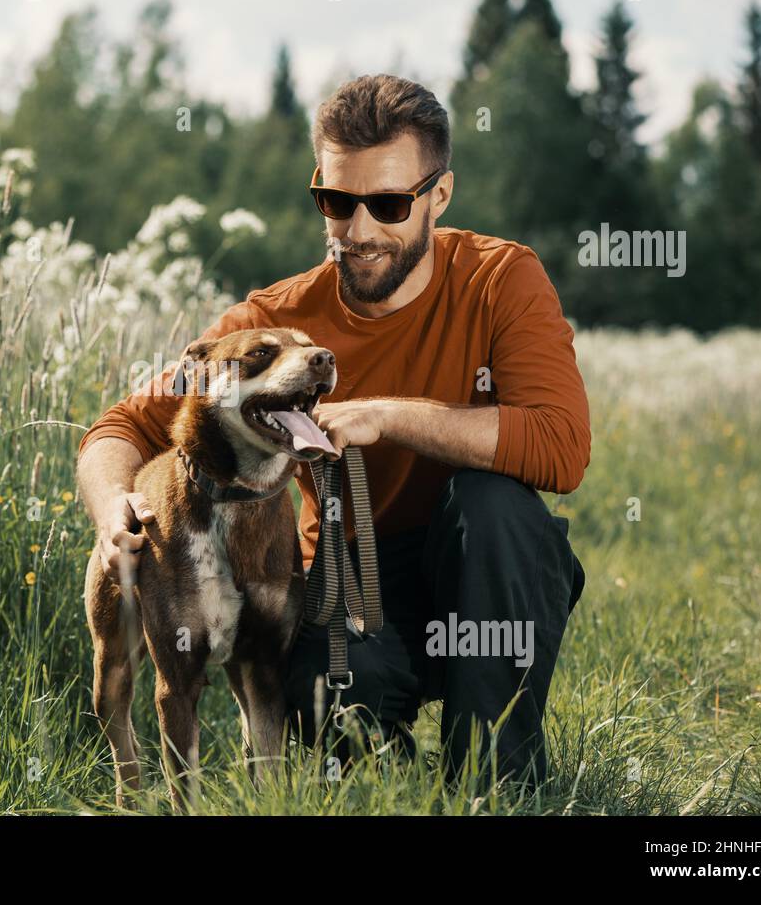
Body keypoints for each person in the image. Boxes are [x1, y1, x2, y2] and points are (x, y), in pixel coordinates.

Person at [76, 73, 588, 790]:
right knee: (319, 694)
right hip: (350, 582)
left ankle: (496, 785)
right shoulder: (274, 324)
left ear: (439, 195)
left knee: (493, 505)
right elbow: (123, 425)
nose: (361, 230)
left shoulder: (502, 279)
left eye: (389, 203)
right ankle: (388, 780)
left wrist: (386, 416)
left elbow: (561, 445)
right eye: (338, 202)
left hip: (483, 568)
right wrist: (113, 510)